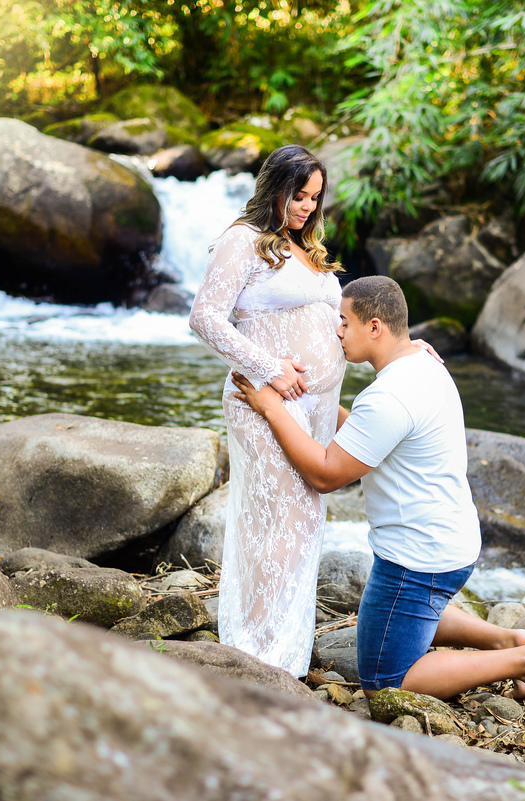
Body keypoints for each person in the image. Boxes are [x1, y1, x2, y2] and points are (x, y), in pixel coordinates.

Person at [231, 275, 525, 706]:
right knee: (413, 610)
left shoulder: (388, 396)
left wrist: (272, 408)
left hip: (418, 558)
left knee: (384, 680)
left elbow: (327, 474)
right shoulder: (423, 364)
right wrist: (310, 402)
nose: (337, 331)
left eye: (344, 322)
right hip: (451, 541)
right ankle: (508, 638)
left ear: (374, 328)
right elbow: (367, 441)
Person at [188, 144, 349, 677]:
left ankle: (286, 655)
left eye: (314, 198)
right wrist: (268, 368)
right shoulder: (244, 241)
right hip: (263, 403)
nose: (306, 206)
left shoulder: (308, 250)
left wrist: (406, 346)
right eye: (298, 195)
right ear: (274, 187)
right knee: (273, 527)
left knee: (301, 526)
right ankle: (254, 652)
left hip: (315, 411)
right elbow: (205, 317)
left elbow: (346, 324)